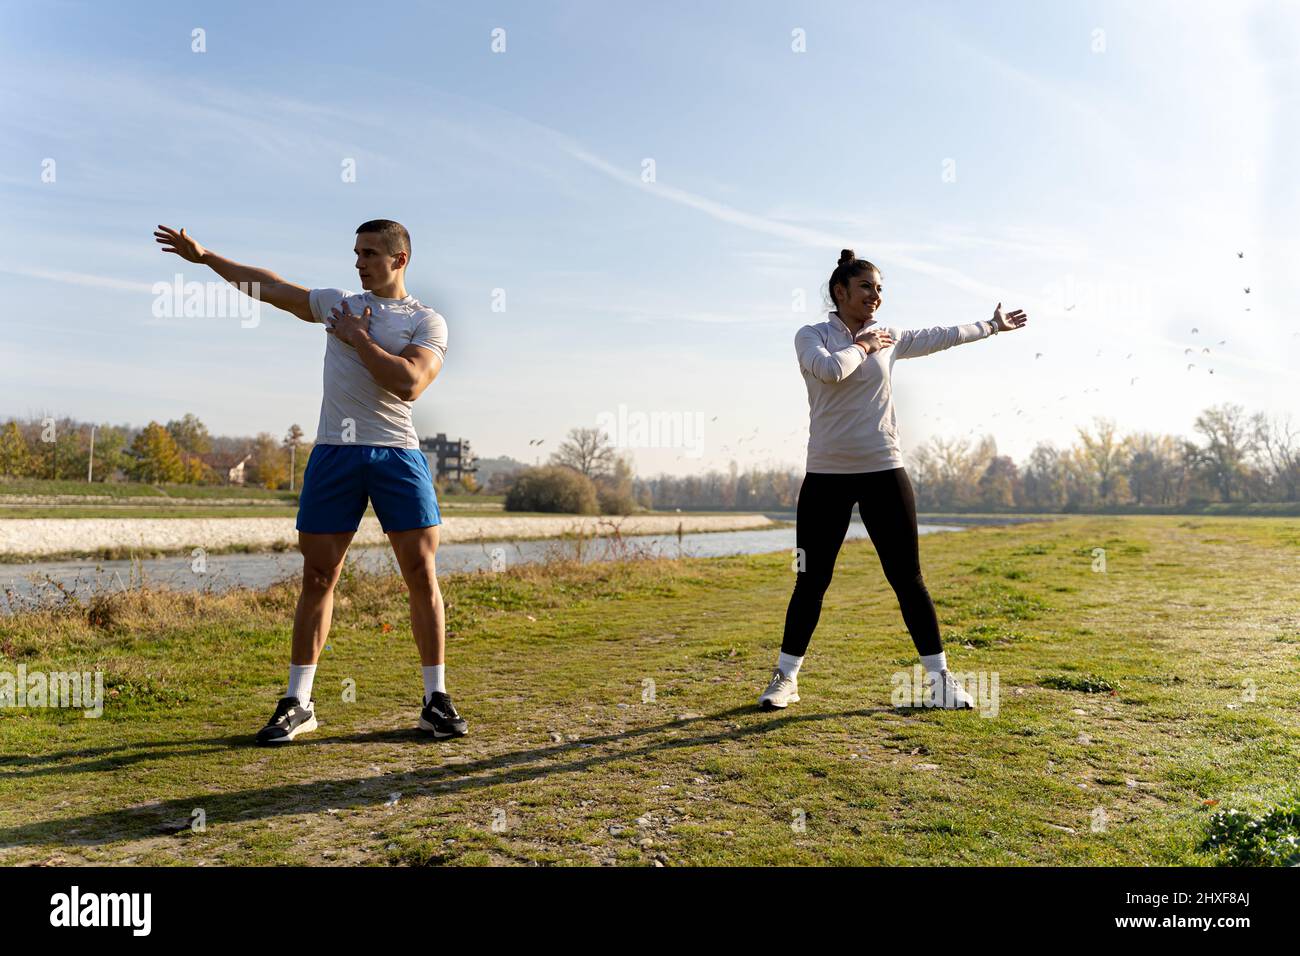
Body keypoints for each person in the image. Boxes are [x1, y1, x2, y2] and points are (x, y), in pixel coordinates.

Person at [153, 220, 468, 743]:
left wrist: (359, 339)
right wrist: (206, 256)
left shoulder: (427, 321)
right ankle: (299, 701)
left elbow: (409, 383)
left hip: (397, 455)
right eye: (355, 253)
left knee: (420, 573)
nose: (358, 262)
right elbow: (270, 287)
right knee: (318, 577)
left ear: (400, 259)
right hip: (333, 455)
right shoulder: (337, 302)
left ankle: (435, 700)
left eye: (369, 253)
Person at [759, 249, 1028, 711]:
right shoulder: (811, 336)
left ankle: (940, 680)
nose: (876, 296)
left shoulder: (891, 336)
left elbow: (942, 335)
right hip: (826, 475)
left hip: (884, 469)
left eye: (880, 289)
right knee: (811, 580)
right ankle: (786, 678)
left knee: (908, 579)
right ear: (840, 292)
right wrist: (865, 345)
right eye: (867, 287)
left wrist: (991, 326)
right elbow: (830, 371)